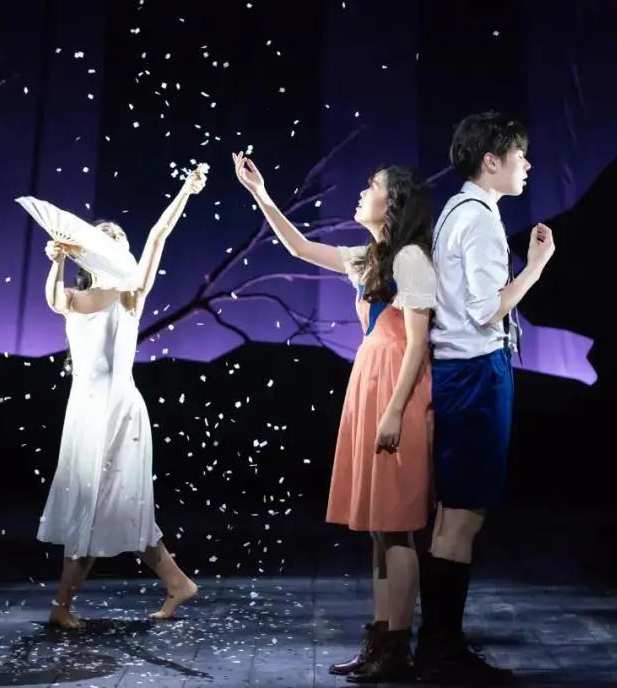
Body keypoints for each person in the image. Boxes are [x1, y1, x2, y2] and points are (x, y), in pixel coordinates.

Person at [234, 152, 435, 682]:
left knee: (397, 526)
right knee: (378, 528)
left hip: (397, 388)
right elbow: (299, 247)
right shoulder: (369, 258)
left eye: (373, 185)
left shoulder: (411, 260)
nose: (363, 191)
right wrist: (261, 194)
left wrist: (395, 410)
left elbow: (417, 344)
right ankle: (380, 639)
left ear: (394, 202)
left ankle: (398, 648)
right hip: (369, 381)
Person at [417, 111, 555, 685]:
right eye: (519, 156)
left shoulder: (459, 209)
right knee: (463, 517)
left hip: (460, 370)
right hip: (475, 372)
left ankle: (439, 646)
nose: (528, 165)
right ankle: (442, 651)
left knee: (453, 515)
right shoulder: (477, 219)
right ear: (491, 161)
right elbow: (483, 310)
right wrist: (535, 269)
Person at [37, 166, 207, 629]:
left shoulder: (131, 294)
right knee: (104, 506)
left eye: (118, 240)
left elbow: (158, 234)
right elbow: (53, 299)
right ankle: (177, 583)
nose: (113, 244)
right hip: (84, 412)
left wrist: (185, 191)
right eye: (104, 239)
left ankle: (61, 606)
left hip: (118, 412)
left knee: (104, 506)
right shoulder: (72, 298)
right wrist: (55, 258)